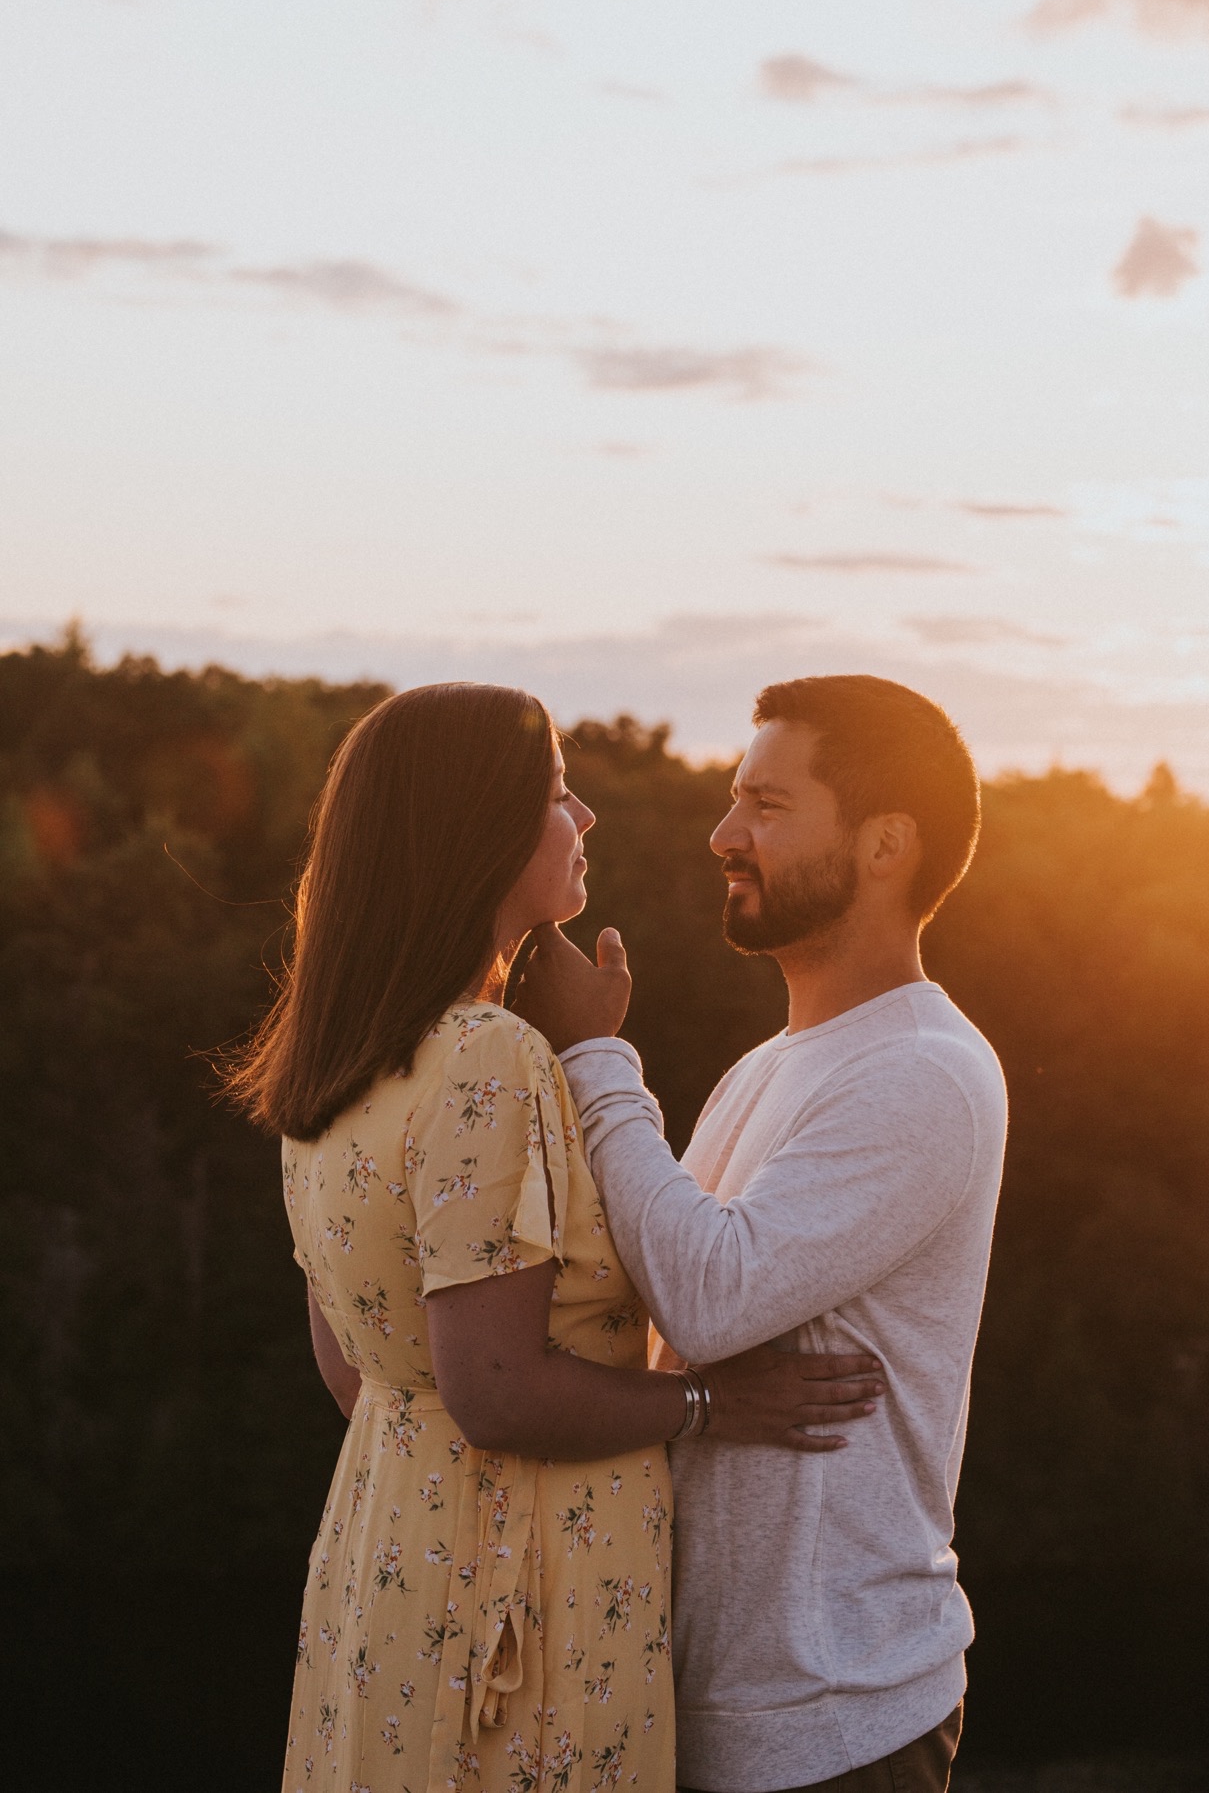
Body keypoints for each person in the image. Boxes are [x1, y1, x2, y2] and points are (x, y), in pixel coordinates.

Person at [226, 682, 885, 1793]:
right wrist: (713, 1404)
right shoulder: (490, 1058)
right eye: (562, 796)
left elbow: (362, 1374)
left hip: (387, 1561)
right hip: (523, 1591)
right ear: (476, 832)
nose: (587, 821)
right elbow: (493, 1388)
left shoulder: (338, 1063)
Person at [514, 675, 1008, 1793]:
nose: (724, 835)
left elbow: (708, 1296)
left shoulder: (925, 1071)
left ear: (887, 845)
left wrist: (594, 1057)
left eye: (768, 807)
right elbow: (659, 1306)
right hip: (712, 1708)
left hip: (833, 1722)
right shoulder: (773, 1064)